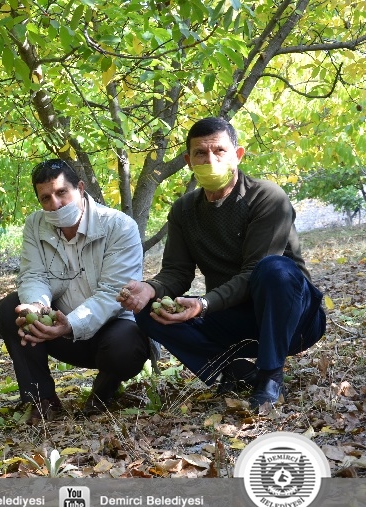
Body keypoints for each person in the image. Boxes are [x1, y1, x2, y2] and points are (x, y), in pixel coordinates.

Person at [118, 117, 327, 409]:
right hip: (235, 318)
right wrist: (150, 288)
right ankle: (236, 370)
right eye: (200, 153)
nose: (210, 160)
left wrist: (203, 304)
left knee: (273, 269)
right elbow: (177, 272)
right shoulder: (183, 210)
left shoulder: (267, 197)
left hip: (294, 320)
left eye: (219, 150)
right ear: (188, 161)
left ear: (237, 155)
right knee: (150, 310)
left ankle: (270, 376)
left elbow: (255, 271)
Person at [0, 159, 151, 423]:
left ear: (81, 188)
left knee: (126, 344)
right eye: (45, 198)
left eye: (61, 192)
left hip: (111, 330)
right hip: (59, 327)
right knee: (11, 308)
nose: (55, 204)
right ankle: (41, 399)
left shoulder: (119, 226)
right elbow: (33, 275)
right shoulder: (35, 225)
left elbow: (114, 292)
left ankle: (104, 392)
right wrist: (36, 307)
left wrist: (71, 324)